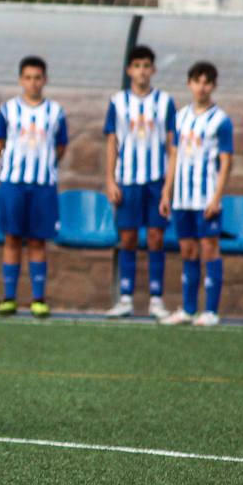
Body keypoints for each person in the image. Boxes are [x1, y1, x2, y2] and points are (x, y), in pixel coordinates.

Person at [103, 45, 176, 319]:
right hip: (128, 180)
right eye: (137, 66)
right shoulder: (118, 102)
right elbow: (112, 141)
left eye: (147, 66)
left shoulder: (165, 102)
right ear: (129, 70)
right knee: (128, 237)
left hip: (156, 181)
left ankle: (156, 300)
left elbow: (172, 146)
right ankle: (125, 298)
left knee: (156, 238)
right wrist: (110, 180)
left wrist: (168, 187)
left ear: (153, 70)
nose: (142, 71)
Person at [159, 61, 233, 327]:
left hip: (205, 198)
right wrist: (166, 193)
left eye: (207, 83)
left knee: (209, 249)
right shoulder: (180, 117)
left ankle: (211, 311)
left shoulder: (221, 121)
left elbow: (226, 162)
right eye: (197, 82)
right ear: (189, 84)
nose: (201, 88)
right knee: (187, 250)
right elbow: (174, 156)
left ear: (213, 86)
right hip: (181, 198)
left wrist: (216, 197)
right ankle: (189, 309)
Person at [0, 56, 67, 318]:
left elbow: (61, 146)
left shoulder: (55, 112)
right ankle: (9, 298)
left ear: (45, 80)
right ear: (20, 80)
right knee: (12, 238)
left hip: (43, 186)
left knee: (37, 241)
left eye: (38, 78)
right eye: (28, 77)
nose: (33, 83)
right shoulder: (8, 109)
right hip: (13, 183)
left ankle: (38, 298)